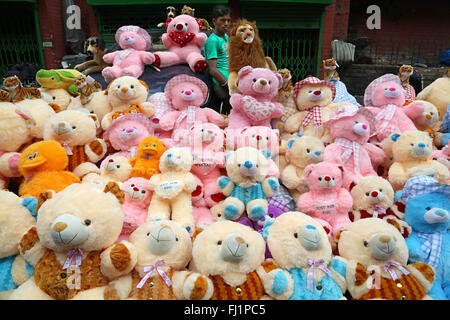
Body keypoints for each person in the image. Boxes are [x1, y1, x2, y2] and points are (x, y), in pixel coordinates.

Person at [204, 5, 232, 115]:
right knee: (227, 114)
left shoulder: (226, 37)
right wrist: (227, 85)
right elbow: (213, 70)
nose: (226, 23)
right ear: (214, 21)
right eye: (222, 20)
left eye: (228, 20)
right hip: (221, 86)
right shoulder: (212, 41)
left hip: (230, 84)